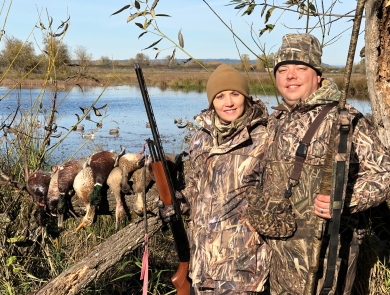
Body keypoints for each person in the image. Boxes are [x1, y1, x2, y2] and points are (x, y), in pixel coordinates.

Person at [247, 33, 390, 295]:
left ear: (318, 76)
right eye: (283, 69)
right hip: (277, 258)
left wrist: (345, 199)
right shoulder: (276, 120)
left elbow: (385, 174)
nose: (291, 75)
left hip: (325, 258)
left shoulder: (345, 119)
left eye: (301, 68)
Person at [181, 64, 271, 294]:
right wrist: (178, 200)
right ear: (212, 102)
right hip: (202, 265)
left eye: (235, 94)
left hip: (243, 269)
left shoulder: (264, 137)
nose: (228, 102)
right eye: (220, 96)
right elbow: (195, 186)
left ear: (246, 97)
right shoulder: (200, 139)